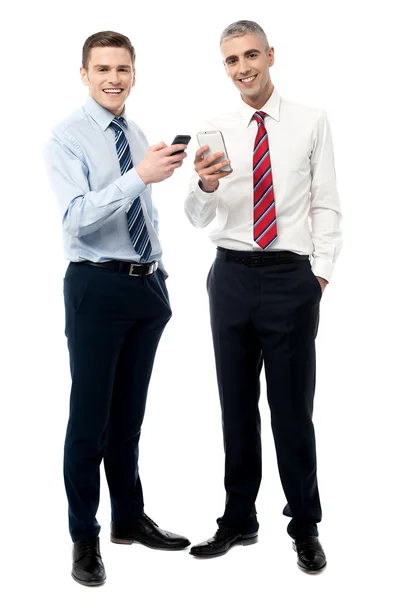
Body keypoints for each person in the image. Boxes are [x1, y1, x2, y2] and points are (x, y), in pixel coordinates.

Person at [184, 20, 342, 573]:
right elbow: (198, 216)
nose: (243, 68)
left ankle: (305, 523)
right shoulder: (214, 126)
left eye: (251, 55)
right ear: (224, 66)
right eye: (231, 60)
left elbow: (326, 204)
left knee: (292, 411)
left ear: (270, 55)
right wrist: (203, 186)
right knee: (235, 408)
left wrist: (317, 278)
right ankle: (238, 519)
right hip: (228, 277)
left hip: (289, 280)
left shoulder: (310, 121)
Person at [45, 30, 190, 587]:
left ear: (134, 73)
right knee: (89, 420)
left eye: (123, 69)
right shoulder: (66, 137)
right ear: (84, 74)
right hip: (96, 288)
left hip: (146, 289)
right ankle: (84, 534)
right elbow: (76, 218)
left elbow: (143, 211)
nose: (113, 78)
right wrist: (139, 177)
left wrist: (160, 269)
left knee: (128, 417)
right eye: (102, 68)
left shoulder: (136, 131)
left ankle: (128, 520)